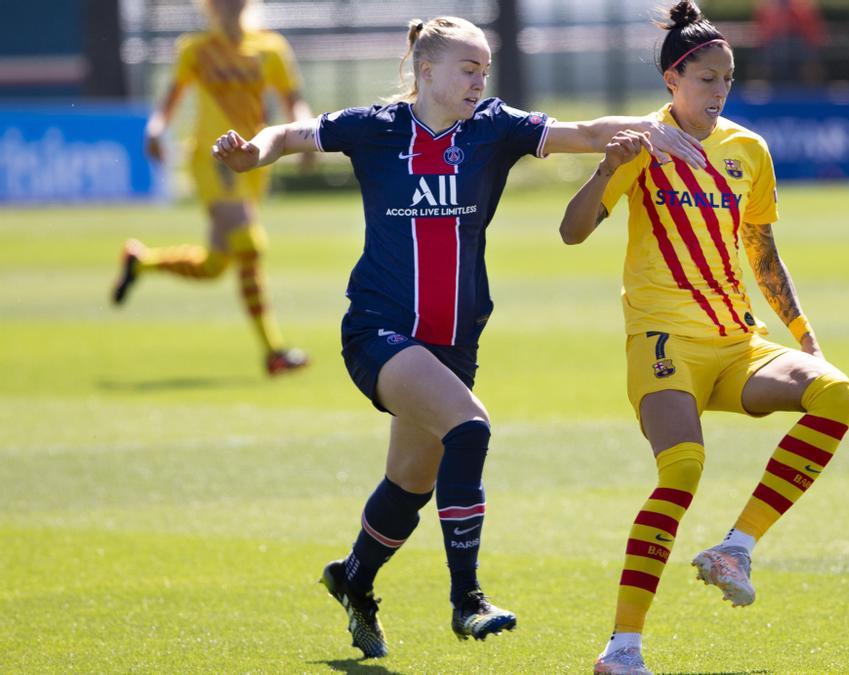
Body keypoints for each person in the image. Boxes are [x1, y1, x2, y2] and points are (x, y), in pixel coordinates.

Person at [212, 15, 705, 660]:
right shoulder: (379, 127)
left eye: (484, 71)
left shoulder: (493, 128)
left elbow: (583, 132)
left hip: (454, 343)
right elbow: (295, 132)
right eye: (468, 69)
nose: (479, 80)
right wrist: (254, 150)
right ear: (426, 71)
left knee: (410, 484)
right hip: (379, 332)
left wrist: (657, 130)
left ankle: (354, 578)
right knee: (470, 428)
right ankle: (466, 599)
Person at [557, 3, 849, 673]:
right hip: (664, 341)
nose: (719, 90)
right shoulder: (644, 142)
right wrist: (607, 168)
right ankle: (623, 647)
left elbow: (763, 252)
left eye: (727, 78)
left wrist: (807, 340)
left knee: (839, 394)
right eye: (706, 79)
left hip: (736, 342)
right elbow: (572, 230)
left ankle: (736, 547)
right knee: (684, 469)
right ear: (673, 78)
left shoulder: (748, 149)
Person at [112, 0, 311, 376]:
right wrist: (156, 129)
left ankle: (141, 261)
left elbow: (293, 100)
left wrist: (305, 133)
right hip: (211, 159)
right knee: (249, 244)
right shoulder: (196, 49)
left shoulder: (270, 48)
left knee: (215, 264)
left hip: (253, 162)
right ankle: (273, 351)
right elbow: (170, 99)